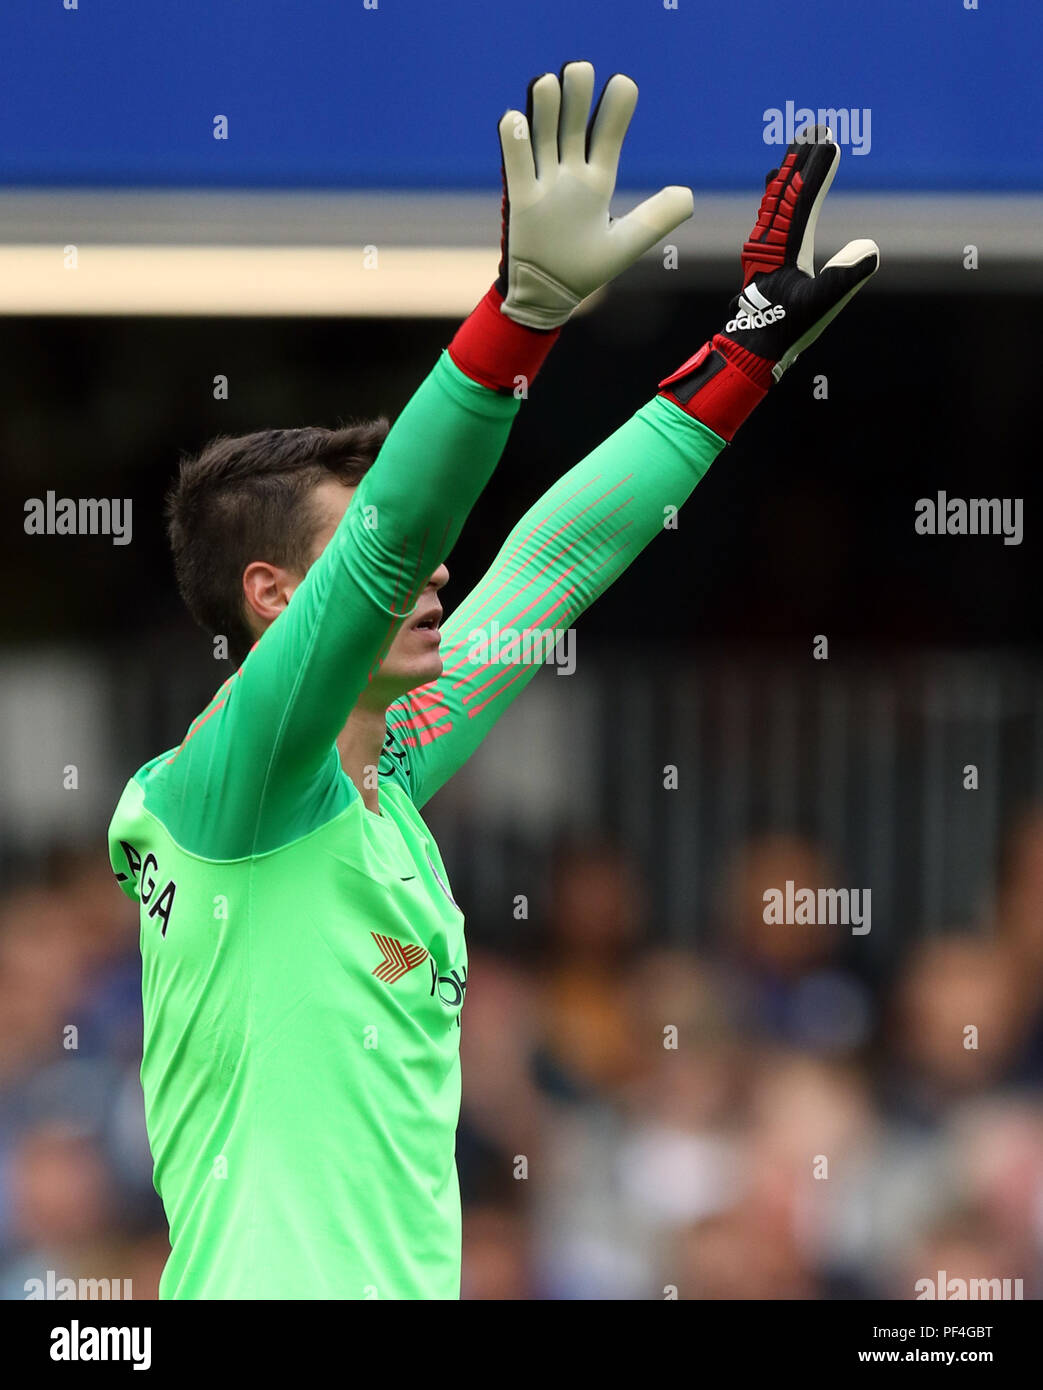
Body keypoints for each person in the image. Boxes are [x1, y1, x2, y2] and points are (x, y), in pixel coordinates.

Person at [108, 61, 878, 1299]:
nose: (432, 581)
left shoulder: (388, 769)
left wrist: (740, 357)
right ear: (269, 598)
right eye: (384, 562)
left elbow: (552, 560)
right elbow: (393, 540)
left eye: (420, 565)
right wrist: (516, 320)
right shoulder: (232, 783)